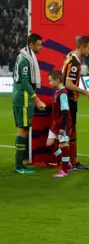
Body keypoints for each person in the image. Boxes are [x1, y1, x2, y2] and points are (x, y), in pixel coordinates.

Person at [13, 33, 46, 174]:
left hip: (21, 96)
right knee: (23, 129)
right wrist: (36, 99)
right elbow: (25, 82)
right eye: (38, 45)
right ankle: (19, 166)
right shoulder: (26, 60)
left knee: (24, 129)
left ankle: (20, 164)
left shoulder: (24, 56)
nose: (41, 47)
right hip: (23, 98)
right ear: (31, 45)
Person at [62, 36, 89, 170]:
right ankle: (68, 162)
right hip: (69, 99)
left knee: (72, 130)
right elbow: (68, 84)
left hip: (68, 98)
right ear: (81, 47)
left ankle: (73, 161)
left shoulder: (69, 56)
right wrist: (85, 92)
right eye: (88, 48)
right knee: (68, 131)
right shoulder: (74, 62)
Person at [45, 70, 72, 178]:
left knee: (63, 144)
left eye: (50, 81)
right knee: (49, 144)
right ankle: (66, 162)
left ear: (57, 80)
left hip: (62, 123)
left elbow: (65, 111)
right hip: (55, 122)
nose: (49, 83)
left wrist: (62, 127)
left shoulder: (63, 93)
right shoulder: (57, 91)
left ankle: (64, 170)